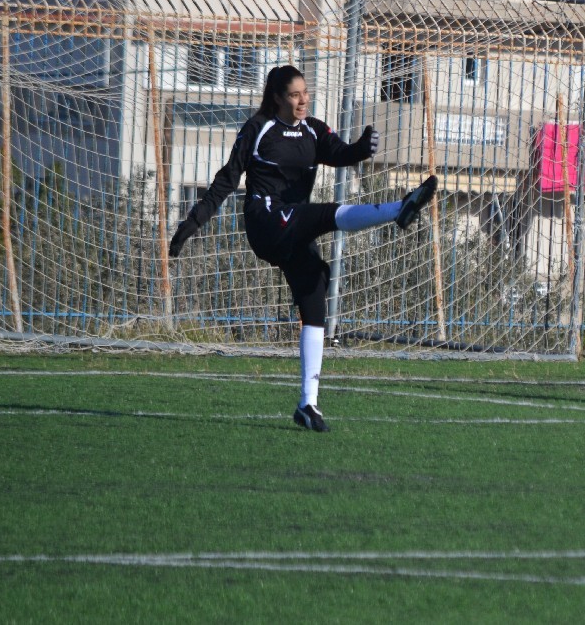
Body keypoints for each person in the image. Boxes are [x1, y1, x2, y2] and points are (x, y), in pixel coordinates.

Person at [168, 64, 437, 432]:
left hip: (294, 229)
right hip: (266, 223)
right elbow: (226, 180)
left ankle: (307, 404)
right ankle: (397, 210)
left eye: (305, 93)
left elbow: (340, 153)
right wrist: (191, 223)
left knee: (315, 296)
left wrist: (362, 147)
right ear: (277, 98)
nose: (302, 100)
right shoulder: (258, 129)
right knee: (323, 214)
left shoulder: (313, 129)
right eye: (294, 95)